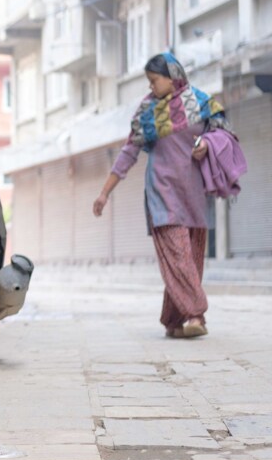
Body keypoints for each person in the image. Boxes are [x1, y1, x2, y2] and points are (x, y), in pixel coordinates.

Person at [92, 52, 233, 339]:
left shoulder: (199, 102)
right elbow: (128, 153)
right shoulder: (147, 111)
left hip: (194, 193)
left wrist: (206, 143)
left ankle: (173, 321)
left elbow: (223, 134)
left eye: (154, 80)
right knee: (179, 256)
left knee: (190, 260)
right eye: (148, 82)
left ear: (172, 77)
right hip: (162, 193)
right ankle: (196, 313)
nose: (151, 87)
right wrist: (104, 193)